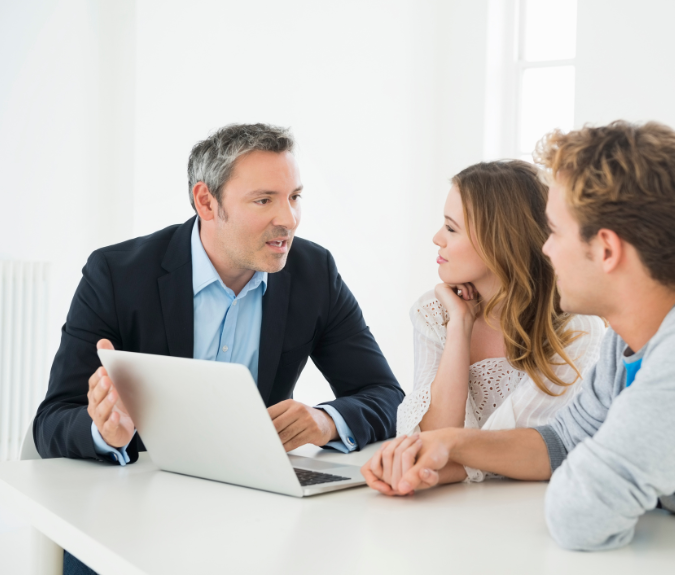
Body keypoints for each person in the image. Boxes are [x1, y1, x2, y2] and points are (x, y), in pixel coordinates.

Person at [363, 121, 675, 550]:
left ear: (606, 250)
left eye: (554, 231)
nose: (545, 249)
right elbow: (561, 443)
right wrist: (450, 443)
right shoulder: (628, 335)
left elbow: (582, 513)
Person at [35, 122, 403, 463]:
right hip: (145, 493)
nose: (288, 219)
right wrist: (104, 432)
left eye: (294, 197)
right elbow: (52, 420)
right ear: (206, 202)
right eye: (264, 200)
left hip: (256, 492)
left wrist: (326, 421)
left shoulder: (314, 272)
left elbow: (387, 396)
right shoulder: (116, 275)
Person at [362, 160, 605, 491]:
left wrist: (445, 466)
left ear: (499, 241)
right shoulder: (436, 312)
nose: (437, 238)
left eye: (450, 228)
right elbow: (428, 436)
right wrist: (459, 327)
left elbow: (525, 442)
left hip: (533, 507)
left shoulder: (577, 327)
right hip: (458, 509)